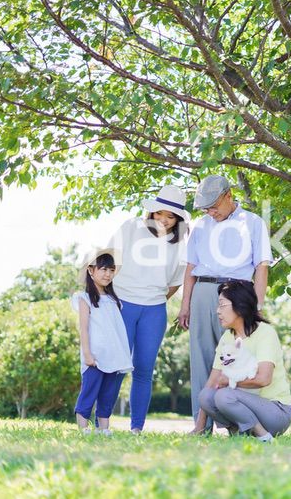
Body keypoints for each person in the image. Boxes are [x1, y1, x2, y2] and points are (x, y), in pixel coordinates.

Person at [177, 174, 272, 430]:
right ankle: (200, 425)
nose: (210, 211)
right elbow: (191, 266)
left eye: (214, 205)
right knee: (202, 359)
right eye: (205, 207)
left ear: (228, 195)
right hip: (202, 291)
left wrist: (258, 307)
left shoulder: (253, 222)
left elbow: (261, 267)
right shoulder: (199, 225)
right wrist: (185, 303)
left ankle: (238, 425)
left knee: (237, 359)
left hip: (237, 293)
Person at [108, 185, 190, 434]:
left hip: (154, 310)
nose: (164, 220)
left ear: (177, 219)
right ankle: (102, 423)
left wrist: (152, 297)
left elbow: (176, 282)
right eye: (160, 213)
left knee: (144, 369)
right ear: (152, 211)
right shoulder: (131, 227)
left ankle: (136, 428)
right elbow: (109, 260)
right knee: (116, 367)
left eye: (170, 216)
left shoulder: (179, 242)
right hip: (123, 304)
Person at [193, 281, 291, 441]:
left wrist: (231, 380)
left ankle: (263, 435)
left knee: (224, 396)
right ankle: (239, 433)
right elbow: (212, 383)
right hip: (244, 404)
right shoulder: (227, 337)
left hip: (276, 412)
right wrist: (199, 426)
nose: (217, 311)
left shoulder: (265, 333)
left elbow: (264, 379)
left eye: (222, 305)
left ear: (240, 306)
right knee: (206, 395)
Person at [72, 248, 133, 436]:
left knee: (108, 395)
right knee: (90, 391)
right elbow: (83, 328)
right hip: (95, 356)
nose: (108, 274)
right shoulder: (83, 298)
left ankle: (104, 429)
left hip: (114, 356)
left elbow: (116, 331)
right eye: (103, 269)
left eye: (111, 270)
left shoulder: (114, 300)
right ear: (91, 271)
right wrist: (87, 354)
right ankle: (83, 429)